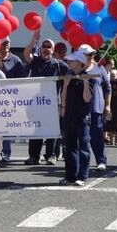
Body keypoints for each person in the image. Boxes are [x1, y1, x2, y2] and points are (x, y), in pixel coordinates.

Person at [23, 30, 68, 165]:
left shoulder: (59, 64)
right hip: (36, 103)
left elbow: (69, 78)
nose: (46, 49)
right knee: (36, 130)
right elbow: (26, 54)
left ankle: (51, 155)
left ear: (53, 50)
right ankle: (34, 156)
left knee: (52, 131)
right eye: (44, 46)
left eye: (49, 47)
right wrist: (34, 41)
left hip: (54, 104)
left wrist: (63, 102)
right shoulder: (36, 61)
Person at [59, 51, 92, 186]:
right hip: (69, 115)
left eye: (72, 61)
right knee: (69, 146)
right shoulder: (70, 75)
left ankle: (82, 176)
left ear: (79, 63)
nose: (69, 63)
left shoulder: (89, 77)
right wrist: (66, 85)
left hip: (82, 117)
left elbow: (87, 98)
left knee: (84, 147)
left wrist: (85, 83)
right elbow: (63, 95)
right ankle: (70, 176)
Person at [78, 44, 112, 172]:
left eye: (92, 54)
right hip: (80, 107)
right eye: (88, 54)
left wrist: (108, 105)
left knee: (97, 135)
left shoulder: (100, 68)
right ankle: (81, 162)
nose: (91, 56)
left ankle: (101, 161)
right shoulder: (77, 69)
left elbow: (107, 88)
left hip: (96, 107)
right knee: (81, 137)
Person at [0, 37, 26, 162]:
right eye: (3, 43)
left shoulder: (15, 60)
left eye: (8, 43)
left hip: (10, 98)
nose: (6, 45)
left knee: (6, 127)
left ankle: (6, 152)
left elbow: (22, 79)